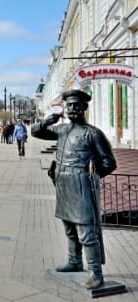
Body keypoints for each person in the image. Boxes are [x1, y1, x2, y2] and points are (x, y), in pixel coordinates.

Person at [31, 89, 117, 289]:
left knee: (86, 230)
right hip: (63, 184)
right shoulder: (61, 130)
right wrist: (47, 121)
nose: (72, 109)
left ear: (84, 107)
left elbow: (109, 162)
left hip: (81, 185)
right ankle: (74, 261)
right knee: (69, 227)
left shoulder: (93, 133)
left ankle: (95, 272)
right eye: (69, 105)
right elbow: (36, 132)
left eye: (76, 105)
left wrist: (93, 177)